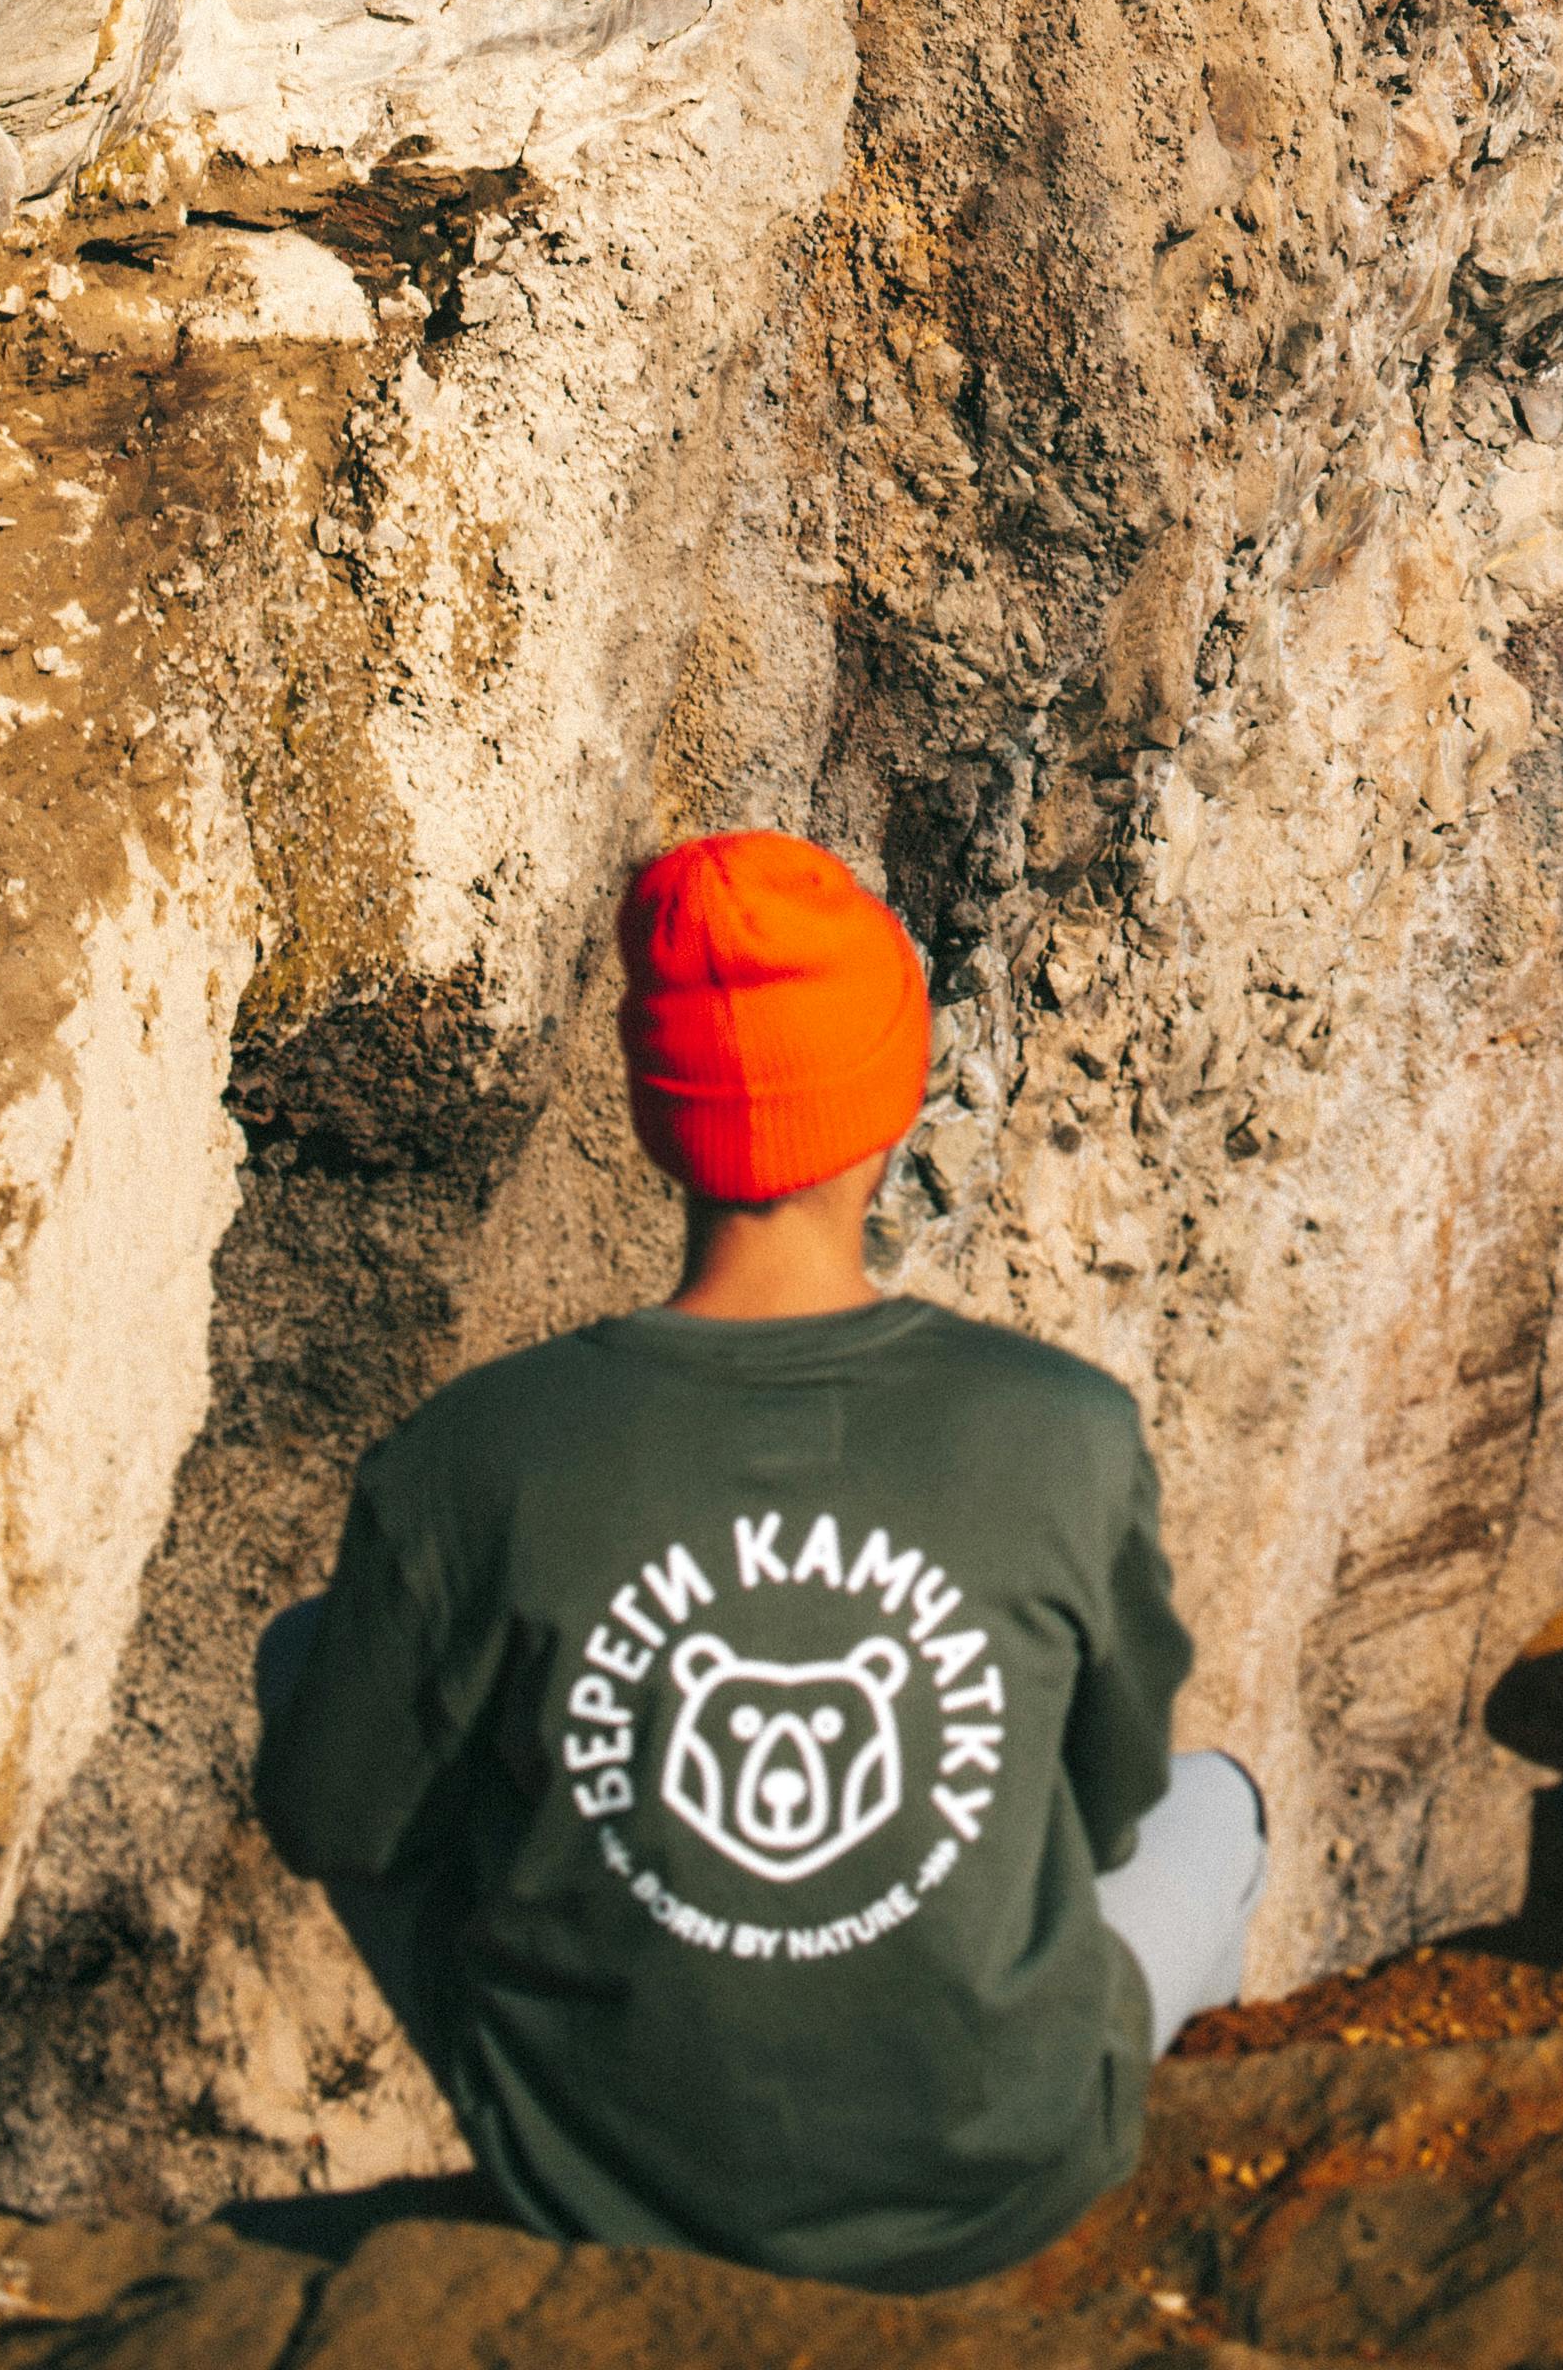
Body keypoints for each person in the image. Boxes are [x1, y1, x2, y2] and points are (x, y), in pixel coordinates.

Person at [254, 828, 1263, 2291]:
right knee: (1222, 1810)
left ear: (660, 1119)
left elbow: (332, 1822)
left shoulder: (471, 1458)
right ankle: (1148, 2236)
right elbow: (1108, 1820)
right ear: (893, 1100)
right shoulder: (1064, 1432)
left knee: (312, 1654)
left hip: (596, 2174)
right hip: (1003, 2167)